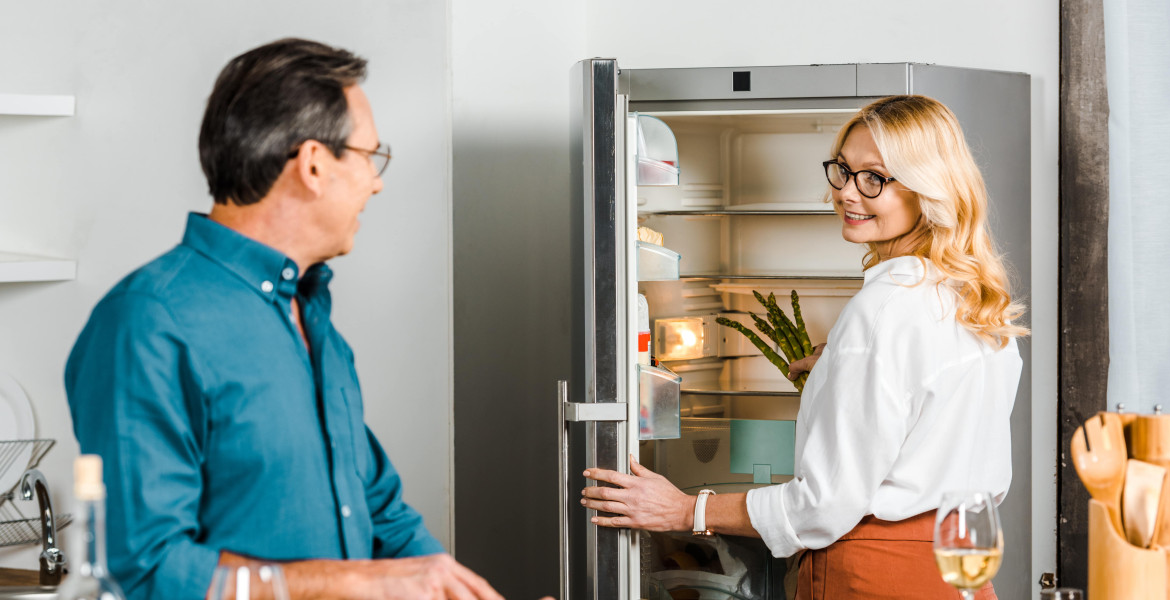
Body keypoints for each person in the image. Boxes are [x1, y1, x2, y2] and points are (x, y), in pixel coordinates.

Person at [65, 38, 504, 600]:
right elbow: (146, 571)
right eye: (369, 157)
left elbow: (381, 516)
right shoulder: (148, 323)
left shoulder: (313, 317)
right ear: (314, 164)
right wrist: (346, 582)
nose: (376, 182)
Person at [581, 95, 1026, 600]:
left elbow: (822, 506)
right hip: (960, 574)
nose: (847, 193)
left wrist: (686, 509)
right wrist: (840, 368)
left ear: (928, 188)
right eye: (843, 170)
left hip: (873, 577)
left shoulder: (881, 310)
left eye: (874, 178)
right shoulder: (977, 300)